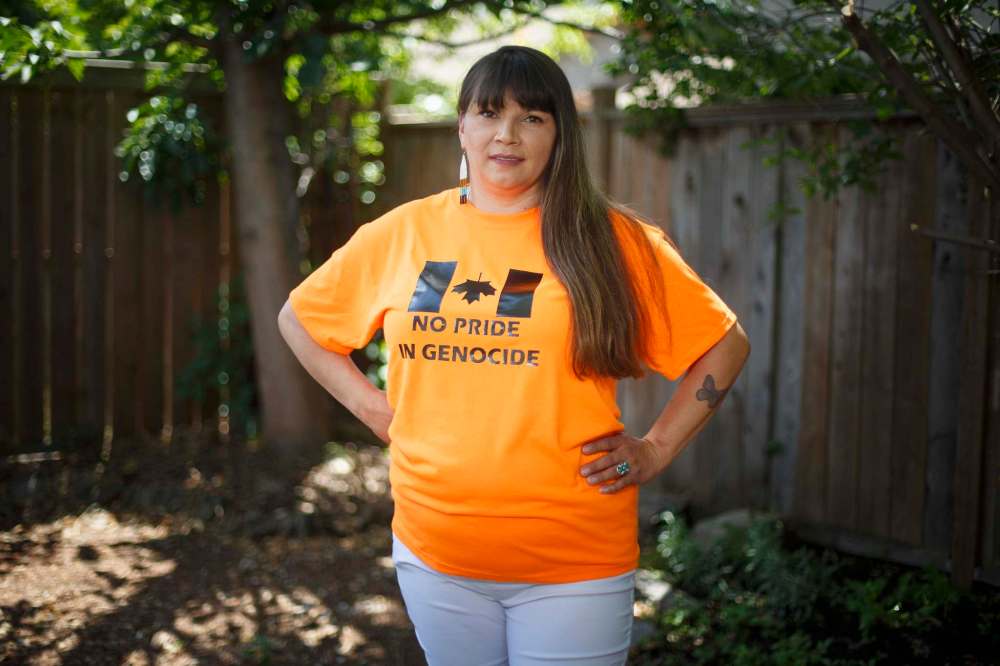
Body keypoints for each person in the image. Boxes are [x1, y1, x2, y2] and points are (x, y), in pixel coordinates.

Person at [278, 45, 750, 666]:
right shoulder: (404, 233)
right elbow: (301, 319)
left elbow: (725, 343)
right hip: (435, 553)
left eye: (532, 117)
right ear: (463, 127)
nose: (507, 133)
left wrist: (657, 447)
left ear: (559, 135)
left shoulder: (612, 241)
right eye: (489, 112)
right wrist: (372, 408)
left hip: (572, 562)